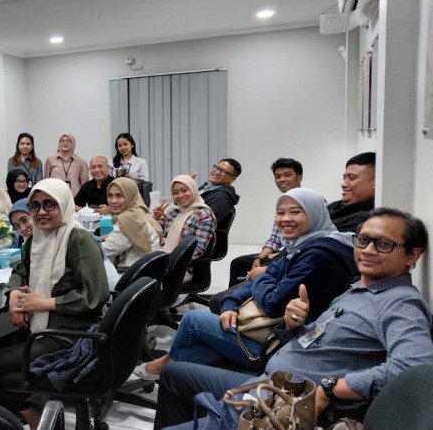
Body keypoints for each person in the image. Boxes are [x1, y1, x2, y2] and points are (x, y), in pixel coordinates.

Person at [154, 208, 433, 430]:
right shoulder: (359, 288)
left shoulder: (400, 303)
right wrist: (293, 326)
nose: (368, 250)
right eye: (363, 240)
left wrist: (329, 389)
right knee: (173, 374)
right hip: (268, 382)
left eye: (383, 244)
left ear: (412, 255)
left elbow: (414, 366)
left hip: (283, 405)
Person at [138, 187, 358, 378]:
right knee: (190, 354)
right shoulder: (303, 245)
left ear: (314, 213)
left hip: (283, 346)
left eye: (295, 212)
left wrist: (262, 277)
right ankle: (169, 369)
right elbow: (270, 275)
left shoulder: (320, 253)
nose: (285, 219)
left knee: (192, 321)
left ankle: (163, 364)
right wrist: (231, 303)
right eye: (280, 213)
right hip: (274, 333)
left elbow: (273, 302)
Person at [0, 178, 110, 430]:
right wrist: (14, 296)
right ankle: (31, 413)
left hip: (70, 335)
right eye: (35, 205)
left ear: (64, 204)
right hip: (41, 327)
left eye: (49, 204)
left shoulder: (79, 239)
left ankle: (31, 416)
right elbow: (20, 272)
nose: (41, 212)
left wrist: (41, 303)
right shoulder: (35, 239)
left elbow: (95, 296)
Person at [227, 158, 303, 287]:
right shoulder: (283, 202)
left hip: (296, 254)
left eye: (287, 175)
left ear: (299, 178)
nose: (282, 179)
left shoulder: (310, 202)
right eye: (278, 176)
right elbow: (275, 240)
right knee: (239, 263)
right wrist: (259, 257)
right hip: (282, 253)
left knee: (260, 270)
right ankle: (237, 296)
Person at [101, 177, 163, 268]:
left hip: (134, 273)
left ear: (130, 196)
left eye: (119, 196)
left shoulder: (129, 219)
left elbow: (104, 250)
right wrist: (100, 238)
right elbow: (121, 236)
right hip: (149, 272)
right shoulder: (138, 211)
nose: (113, 201)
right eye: (110, 195)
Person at [153, 175, 216, 261]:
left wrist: (170, 262)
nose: (180, 196)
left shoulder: (204, 214)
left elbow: (197, 250)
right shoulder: (173, 212)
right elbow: (153, 234)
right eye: (175, 193)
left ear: (193, 190)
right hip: (162, 256)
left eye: (184, 190)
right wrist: (156, 217)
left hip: (182, 264)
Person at [327, 152, 375, 232]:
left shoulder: (365, 220)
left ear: (376, 182)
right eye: (344, 178)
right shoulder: (335, 205)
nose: (343, 184)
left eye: (352, 178)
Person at [197, 158, 242, 224]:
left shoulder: (221, 197)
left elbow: (204, 222)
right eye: (217, 168)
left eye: (224, 171)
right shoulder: (207, 188)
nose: (217, 172)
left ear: (233, 179)